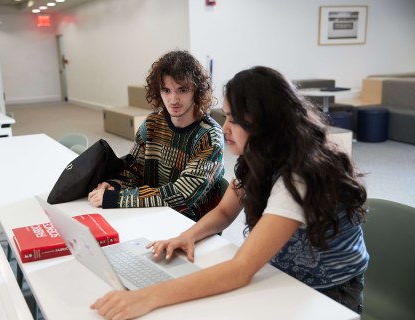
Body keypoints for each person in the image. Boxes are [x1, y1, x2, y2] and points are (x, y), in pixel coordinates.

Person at [90, 66, 369, 319]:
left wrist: (146, 297)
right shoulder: (260, 156)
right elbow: (225, 211)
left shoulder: (298, 177)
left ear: (264, 125)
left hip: (328, 293)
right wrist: (186, 236)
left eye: (233, 120)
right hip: (281, 274)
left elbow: (241, 269)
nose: (224, 128)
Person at [88, 50, 225, 222]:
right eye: (166, 90)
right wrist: (115, 185)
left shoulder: (209, 136)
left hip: (189, 223)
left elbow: (181, 195)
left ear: (196, 91)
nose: (173, 99)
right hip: (150, 212)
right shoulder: (153, 122)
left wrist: (117, 198)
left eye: (182, 90)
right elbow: (135, 168)